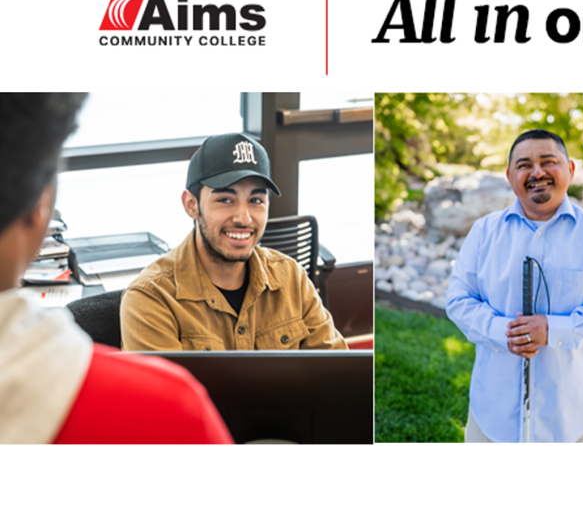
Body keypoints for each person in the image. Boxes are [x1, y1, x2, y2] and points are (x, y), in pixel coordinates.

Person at [0, 93, 231, 444]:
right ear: (41, 206)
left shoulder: (286, 274)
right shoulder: (169, 411)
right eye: (226, 199)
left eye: (257, 199)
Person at [446, 129, 583, 443]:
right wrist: (504, 332)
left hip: (574, 416)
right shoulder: (483, 232)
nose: (537, 172)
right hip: (492, 414)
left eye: (548, 161)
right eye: (524, 165)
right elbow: (459, 300)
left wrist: (554, 330)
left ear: (571, 169)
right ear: (510, 176)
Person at [120, 133, 347, 351]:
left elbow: (340, 373)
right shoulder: (151, 298)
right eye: (225, 199)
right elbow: (166, 392)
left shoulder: (292, 279)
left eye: (255, 200)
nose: (244, 218)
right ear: (191, 205)